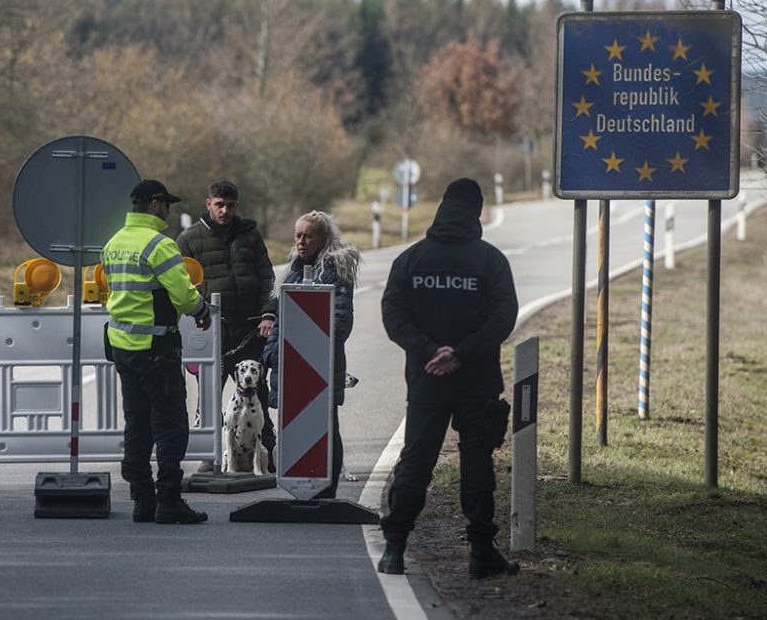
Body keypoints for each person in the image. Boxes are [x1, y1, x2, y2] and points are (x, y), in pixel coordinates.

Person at [378, 177, 520, 577]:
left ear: (442, 206)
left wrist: (428, 351)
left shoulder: (410, 260)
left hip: (426, 381)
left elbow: (393, 317)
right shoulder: (491, 261)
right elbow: (502, 319)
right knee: (477, 461)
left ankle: (394, 548)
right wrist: (461, 352)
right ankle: (480, 553)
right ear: (476, 210)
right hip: (476, 381)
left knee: (416, 462)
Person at [101, 179, 212, 524]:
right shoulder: (159, 245)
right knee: (170, 425)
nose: (169, 210)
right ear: (153, 204)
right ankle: (169, 500)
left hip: (122, 347)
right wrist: (201, 310)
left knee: (136, 424)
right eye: (166, 204)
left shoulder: (113, 243)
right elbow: (182, 294)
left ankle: (141, 500)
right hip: (156, 347)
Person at [176, 181, 278, 473]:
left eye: (230, 205)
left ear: (237, 205)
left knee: (255, 392)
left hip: (249, 330)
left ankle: (266, 453)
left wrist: (268, 314)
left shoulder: (250, 234)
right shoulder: (189, 239)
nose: (224, 211)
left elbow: (267, 278)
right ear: (208, 203)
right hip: (211, 330)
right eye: (219, 204)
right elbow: (181, 285)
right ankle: (209, 457)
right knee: (208, 396)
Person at [262, 210, 361, 498]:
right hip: (291, 366)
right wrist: (272, 353)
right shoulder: (292, 271)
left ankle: (326, 491)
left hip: (322, 366)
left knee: (327, 426)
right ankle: (303, 487)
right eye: (298, 236)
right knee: (298, 428)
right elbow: (281, 320)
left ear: (324, 238)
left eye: (308, 236)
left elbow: (341, 323)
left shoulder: (337, 270)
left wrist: (311, 347)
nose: (301, 241)